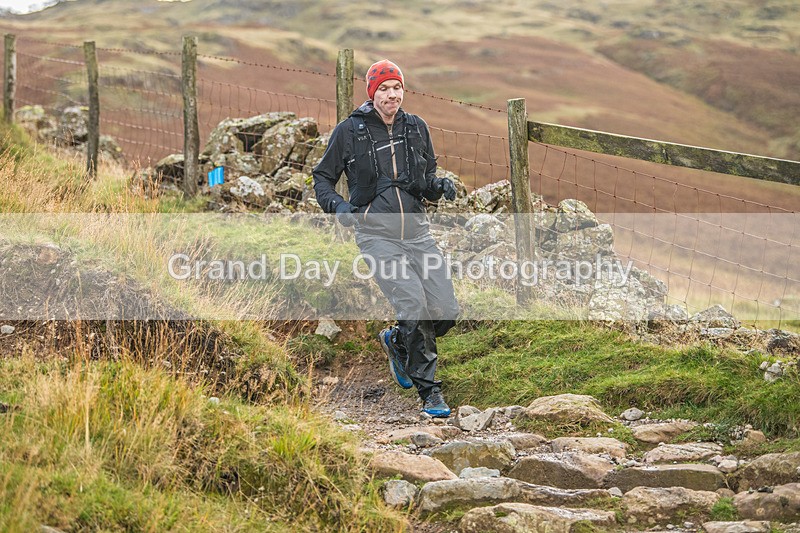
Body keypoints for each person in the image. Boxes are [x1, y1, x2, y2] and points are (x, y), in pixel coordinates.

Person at [313, 59, 460, 417]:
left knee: (447, 311)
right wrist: (340, 208)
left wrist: (438, 187)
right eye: (384, 89)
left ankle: (396, 340)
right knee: (413, 306)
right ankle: (430, 394)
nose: (391, 95)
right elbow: (322, 179)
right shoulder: (349, 131)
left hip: (417, 232)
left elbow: (424, 180)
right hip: (376, 235)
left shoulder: (416, 128)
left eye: (396, 88)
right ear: (372, 93)